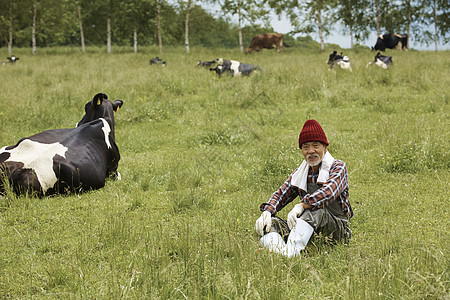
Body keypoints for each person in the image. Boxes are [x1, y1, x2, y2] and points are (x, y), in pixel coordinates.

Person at [255, 119, 353, 257]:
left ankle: (291, 254)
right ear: (301, 150)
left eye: (316, 145)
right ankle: (278, 254)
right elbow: (282, 193)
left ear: (325, 148)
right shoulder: (301, 172)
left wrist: (301, 206)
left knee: (315, 211)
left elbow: (328, 192)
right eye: (306, 147)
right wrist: (267, 212)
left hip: (337, 230)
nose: (311, 151)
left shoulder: (338, 167)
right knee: (271, 223)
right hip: (310, 228)